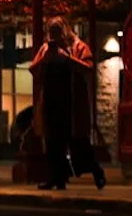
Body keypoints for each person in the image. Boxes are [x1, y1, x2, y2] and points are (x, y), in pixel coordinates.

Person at [30, 21, 104, 190]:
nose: (55, 36)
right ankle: (56, 178)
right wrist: (44, 59)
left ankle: (96, 171)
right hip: (51, 102)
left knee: (79, 142)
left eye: (58, 32)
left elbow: (88, 68)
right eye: (52, 32)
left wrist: (68, 59)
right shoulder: (46, 49)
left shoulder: (78, 47)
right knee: (53, 143)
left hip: (71, 103)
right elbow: (33, 69)